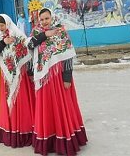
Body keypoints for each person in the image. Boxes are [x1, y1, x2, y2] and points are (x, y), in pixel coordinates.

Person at [28, 8, 87, 156]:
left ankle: (64, 137)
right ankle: (48, 139)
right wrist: (44, 34)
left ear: (52, 18)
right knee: (46, 107)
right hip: (44, 78)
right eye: (41, 19)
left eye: (46, 18)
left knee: (62, 107)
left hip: (59, 77)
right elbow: (29, 47)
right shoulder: (36, 32)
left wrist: (67, 77)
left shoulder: (61, 31)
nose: (44, 22)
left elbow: (68, 55)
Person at [0, 14, 35, 148]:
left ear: (8, 23)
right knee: (8, 101)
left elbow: (28, 54)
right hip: (6, 74)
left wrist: (30, 72)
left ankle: (24, 130)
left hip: (20, 75)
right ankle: (10, 130)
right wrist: (4, 42)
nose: (0, 28)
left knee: (20, 102)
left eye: (2, 25)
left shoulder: (18, 35)